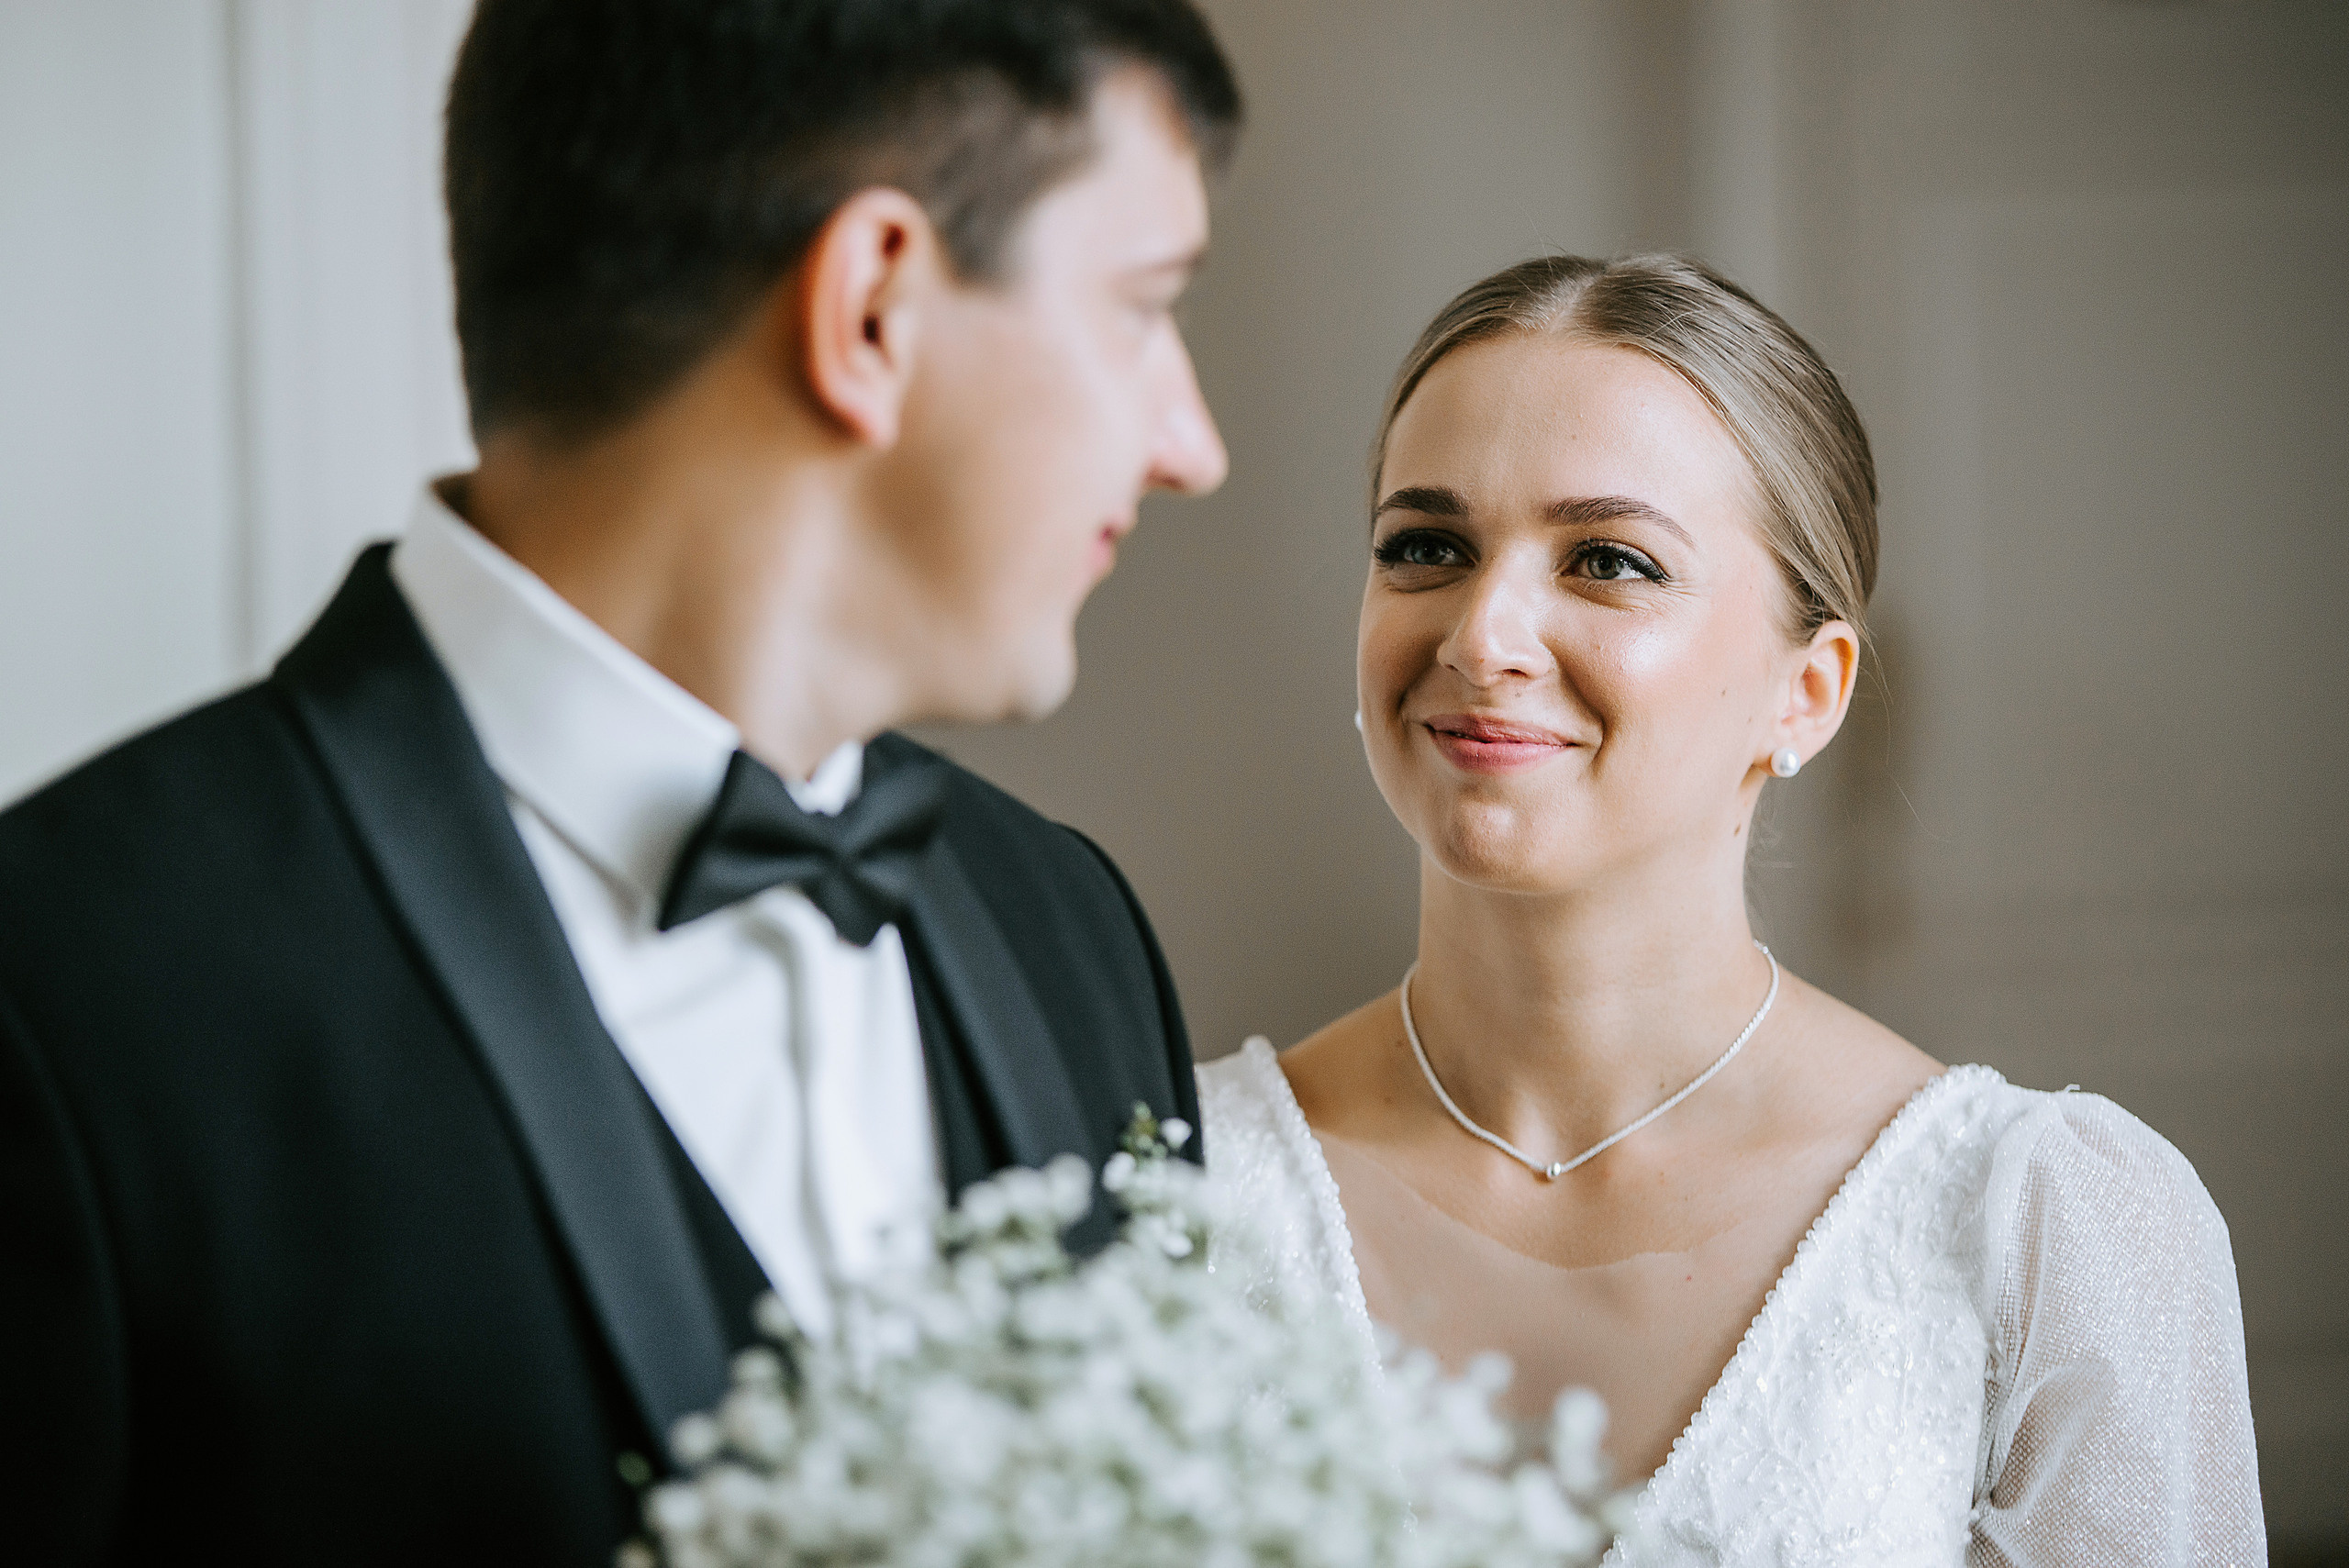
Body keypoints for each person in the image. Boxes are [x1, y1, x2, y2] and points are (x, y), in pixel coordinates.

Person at [0, 2, 1237, 1562]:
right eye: (1144, 307)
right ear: (871, 309)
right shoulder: (64, 990)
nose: (1190, 441)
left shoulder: (1069, 925)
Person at [1199, 253, 2265, 1563]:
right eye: (1427, 546)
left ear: (1806, 692)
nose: (1482, 636)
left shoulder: (2054, 1239)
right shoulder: (1167, 1191)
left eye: (1608, 558)